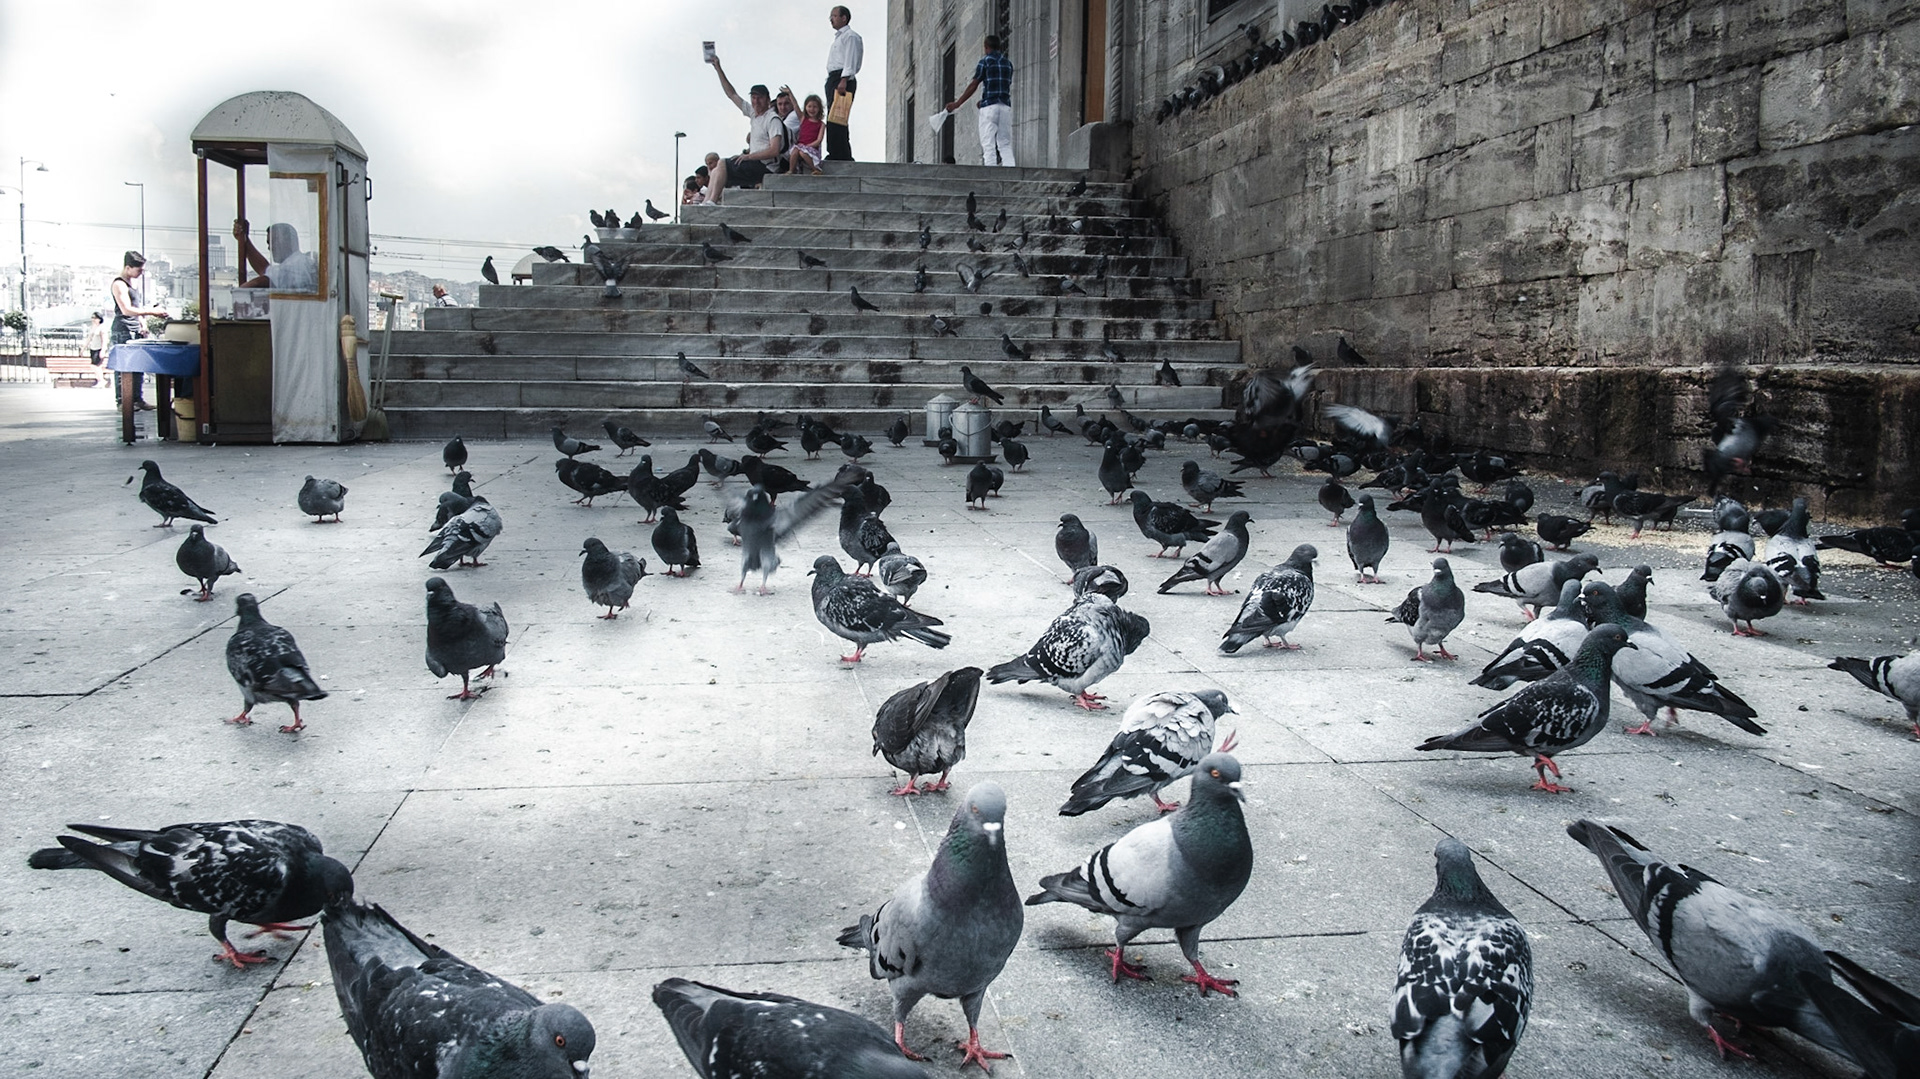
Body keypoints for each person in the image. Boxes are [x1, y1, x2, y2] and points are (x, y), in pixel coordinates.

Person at [704, 54, 785, 205]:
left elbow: (774, 150)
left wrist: (748, 157)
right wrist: (718, 68)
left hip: (766, 166)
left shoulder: (772, 119)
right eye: (753, 98)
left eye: (759, 98)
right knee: (716, 169)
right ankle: (707, 201)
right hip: (755, 163)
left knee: (722, 163)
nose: (756, 101)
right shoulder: (754, 114)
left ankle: (713, 201)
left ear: (768, 99)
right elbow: (732, 94)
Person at [948, 35, 1016, 167]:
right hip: (1005, 107)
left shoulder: (985, 61)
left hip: (989, 108)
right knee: (1005, 143)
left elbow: (974, 85)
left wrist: (958, 103)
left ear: (986, 47)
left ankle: (990, 172)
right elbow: (1003, 86)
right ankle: (1010, 171)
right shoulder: (1008, 64)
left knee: (988, 143)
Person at [108, 251, 164, 410]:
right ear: (127, 268)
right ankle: (123, 402)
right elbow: (126, 310)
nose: (140, 273)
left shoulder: (132, 283)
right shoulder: (119, 284)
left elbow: (136, 308)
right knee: (124, 367)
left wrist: (143, 323)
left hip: (135, 328)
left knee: (138, 365)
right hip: (123, 328)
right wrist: (151, 312)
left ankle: (137, 399)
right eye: (138, 270)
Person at [822, 6, 862, 161]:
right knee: (833, 117)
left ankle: (842, 154)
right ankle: (835, 151)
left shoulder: (850, 36)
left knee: (839, 117)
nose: (831, 19)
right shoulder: (838, 38)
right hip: (834, 78)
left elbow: (850, 60)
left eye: (834, 16)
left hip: (842, 78)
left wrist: (844, 79)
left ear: (844, 18)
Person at [234, 220, 319, 292]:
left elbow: (260, 282)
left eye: (272, 242)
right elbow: (264, 269)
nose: (269, 248)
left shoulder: (294, 265)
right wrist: (245, 240)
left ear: (286, 241)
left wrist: (239, 293)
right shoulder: (299, 262)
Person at [788, 94, 828, 175]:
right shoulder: (803, 119)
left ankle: (815, 169)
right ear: (805, 107)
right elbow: (795, 106)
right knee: (795, 151)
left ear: (819, 109)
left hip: (812, 148)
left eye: (815, 107)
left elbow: (819, 140)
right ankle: (791, 170)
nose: (812, 109)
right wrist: (790, 93)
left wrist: (808, 146)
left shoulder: (821, 124)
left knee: (803, 152)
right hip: (800, 146)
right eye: (809, 106)